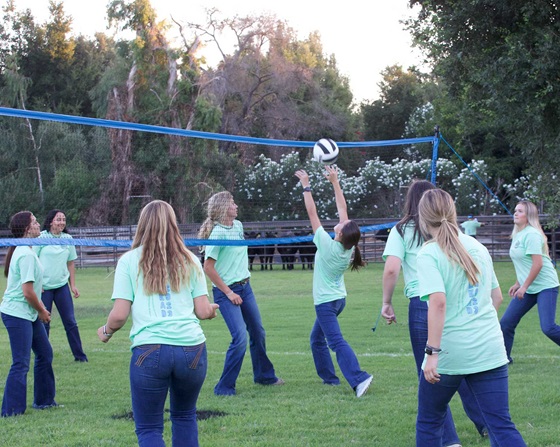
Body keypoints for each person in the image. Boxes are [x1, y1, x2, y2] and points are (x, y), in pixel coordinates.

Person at [97, 200, 219, 446]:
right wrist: (212, 311)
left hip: (149, 350)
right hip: (192, 349)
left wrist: (106, 331)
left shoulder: (129, 261)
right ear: (173, 224)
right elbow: (203, 311)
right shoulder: (191, 260)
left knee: (149, 429)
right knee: (185, 416)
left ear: (142, 225)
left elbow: (119, 315)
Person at [415, 189, 526, 447]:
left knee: (430, 421)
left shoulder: (428, 253)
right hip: (490, 349)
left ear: (422, 219)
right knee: (501, 424)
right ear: (454, 214)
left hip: (449, 354)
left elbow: (438, 303)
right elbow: (496, 297)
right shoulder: (478, 247)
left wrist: (432, 352)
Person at [381, 179, 487, 444]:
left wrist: (386, 301)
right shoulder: (448, 227)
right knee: (458, 366)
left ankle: (449, 439)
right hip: (452, 298)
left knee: (432, 371)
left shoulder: (401, 229)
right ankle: (487, 423)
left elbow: (392, 268)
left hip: (423, 302)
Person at [295, 166, 373, 397]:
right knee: (316, 339)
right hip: (338, 300)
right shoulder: (348, 246)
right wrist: (335, 182)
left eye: (340, 225)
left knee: (335, 342)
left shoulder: (328, 246)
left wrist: (306, 185)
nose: (339, 222)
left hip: (327, 303)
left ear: (340, 234)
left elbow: (312, 214)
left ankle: (359, 378)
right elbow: (342, 208)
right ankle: (329, 379)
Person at [198, 191, 284, 396]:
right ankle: (224, 387)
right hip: (226, 292)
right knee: (240, 338)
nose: (236, 206)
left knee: (258, 332)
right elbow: (208, 268)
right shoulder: (218, 233)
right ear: (223, 208)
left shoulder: (238, 226)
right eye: (232, 203)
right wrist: (228, 293)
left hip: (245, 288)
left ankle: (264, 376)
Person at [499, 200, 560, 367]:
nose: (515, 213)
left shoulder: (531, 234)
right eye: (515, 210)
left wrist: (524, 286)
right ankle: (504, 361)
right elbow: (523, 262)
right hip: (529, 287)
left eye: (520, 211)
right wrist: (518, 283)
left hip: (546, 285)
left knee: (548, 327)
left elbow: (537, 264)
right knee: (506, 323)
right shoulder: (518, 234)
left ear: (529, 216)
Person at [1, 211, 58, 417]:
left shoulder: (27, 250)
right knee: (21, 362)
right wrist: (42, 310)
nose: (38, 225)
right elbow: (26, 292)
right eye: (35, 222)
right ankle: (11, 411)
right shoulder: (25, 253)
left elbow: (29, 286)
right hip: (17, 314)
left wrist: (38, 290)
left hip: (27, 313)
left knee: (44, 353)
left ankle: (44, 401)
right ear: (27, 229)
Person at [34, 209, 88, 362]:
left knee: (70, 322)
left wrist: (73, 285)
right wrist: (37, 284)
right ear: (51, 221)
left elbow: (70, 263)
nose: (62, 222)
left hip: (61, 286)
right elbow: (34, 260)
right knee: (44, 323)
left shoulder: (67, 238)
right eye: (58, 219)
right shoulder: (41, 238)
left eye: (63, 219)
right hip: (44, 288)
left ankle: (80, 356)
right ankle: (43, 356)